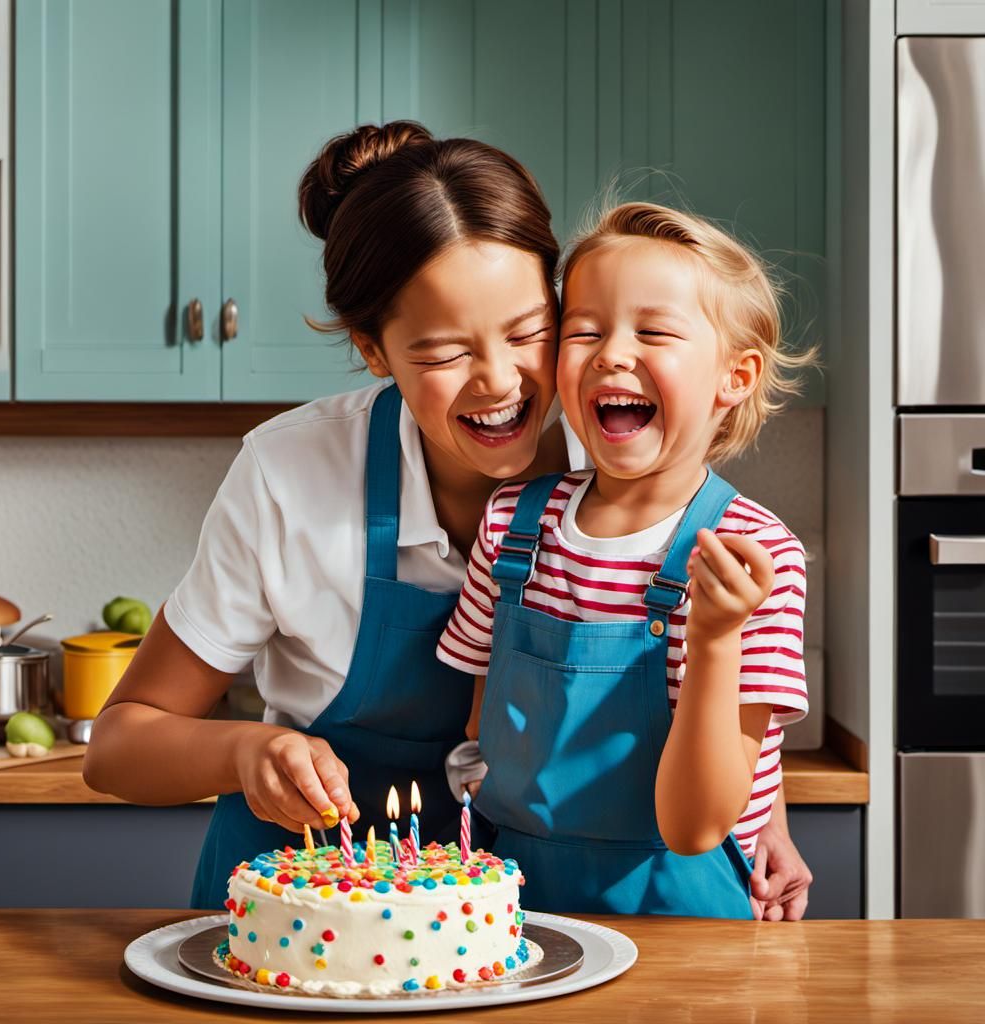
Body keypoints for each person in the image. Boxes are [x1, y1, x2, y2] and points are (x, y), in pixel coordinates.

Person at [82, 122, 811, 919]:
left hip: (526, 910)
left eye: (531, 331)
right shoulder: (292, 474)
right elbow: (119, 748)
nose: (499, 381)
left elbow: (694, 685)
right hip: (315, 908)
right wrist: (247, 750)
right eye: (440, 353)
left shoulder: (623, 452)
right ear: (373, 350)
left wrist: (758, 814)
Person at [437, 202, 817, 918]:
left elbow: (697, 826)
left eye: (654, 331)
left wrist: (713, 636)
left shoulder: (757, 557)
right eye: (583, 330)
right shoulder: (513, 526)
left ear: (734, 377)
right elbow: (482, 731)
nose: (611, 352)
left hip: (681, 915)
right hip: (513, 913)